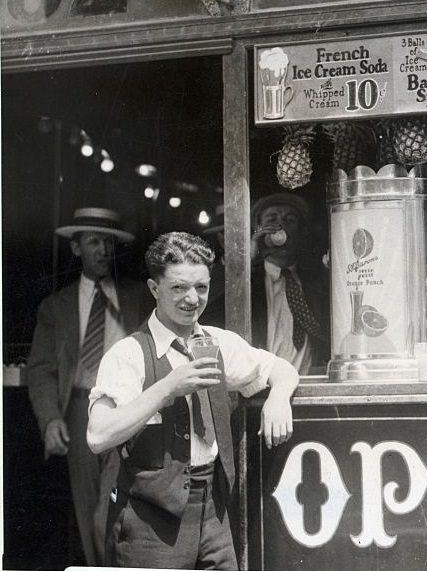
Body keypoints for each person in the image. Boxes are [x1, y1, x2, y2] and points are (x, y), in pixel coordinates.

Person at [87, 231, 299, 569]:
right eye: (178, 288)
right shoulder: (127, 354)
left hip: (214, 513)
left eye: (201, 287)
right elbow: (98, 437)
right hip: (149, 522)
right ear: (154, 289)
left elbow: (282, 369)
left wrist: (279, 397)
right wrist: (167, 388)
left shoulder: (219, 342)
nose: (192, 299)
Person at [26, 206, 152, 566]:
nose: (103, 250)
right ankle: (101, 567)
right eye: (93, 242)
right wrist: (51, 419)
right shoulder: (56, 306)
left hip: (128, 407)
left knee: (112, 506)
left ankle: (113, 567)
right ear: (76, 248)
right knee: (88, 509)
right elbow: (41, 369)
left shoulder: (138, 296)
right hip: (80, 411)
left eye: (108, 243)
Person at [250, 193, 330, 374]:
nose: (280, 226)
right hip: (261, 392)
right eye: (271, 220)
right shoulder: (248, 283)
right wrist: (248, 259)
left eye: (290, 220)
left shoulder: (317, 281)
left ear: (301, 232)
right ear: (258, 230)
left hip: (309, 389)